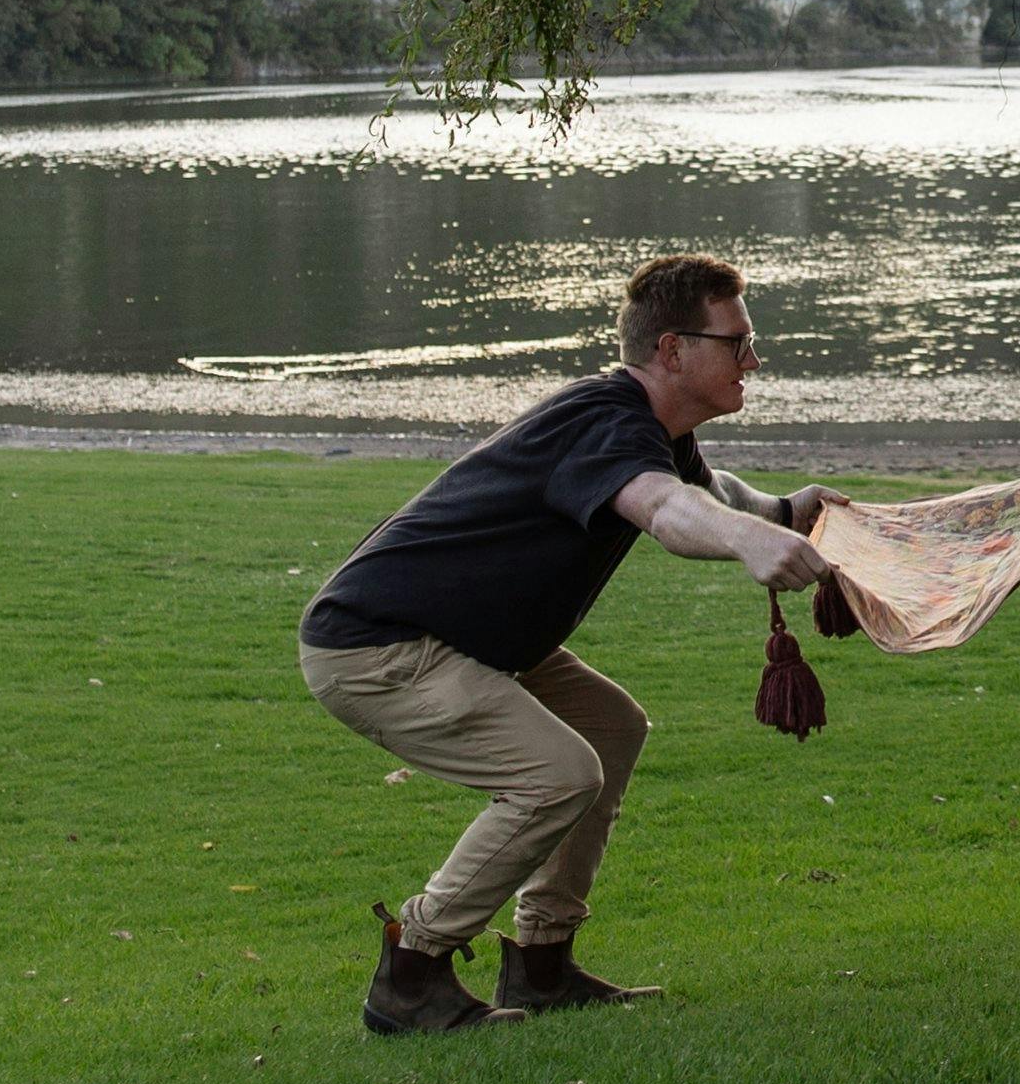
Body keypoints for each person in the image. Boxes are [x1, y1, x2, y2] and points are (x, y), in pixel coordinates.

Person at [298, 253, 828, 1035]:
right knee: (557, 776)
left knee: (612, 726)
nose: (753, 359)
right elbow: (666, 511)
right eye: (737, 342)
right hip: (379, 646)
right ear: (673, 352)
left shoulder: (652, 426)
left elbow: (706, 493)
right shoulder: (608, 424)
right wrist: (751, 546)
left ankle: (542, 963)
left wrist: (784, 510)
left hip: (470, 640)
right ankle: (411, 971)